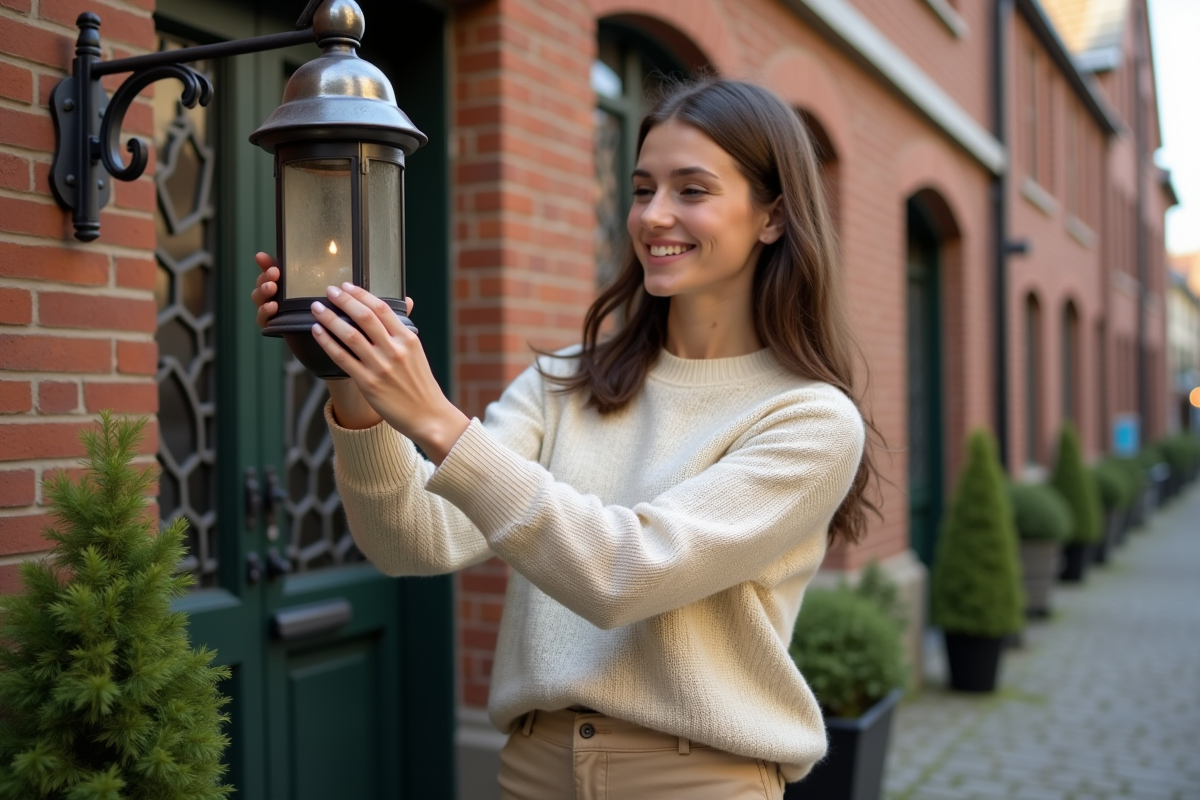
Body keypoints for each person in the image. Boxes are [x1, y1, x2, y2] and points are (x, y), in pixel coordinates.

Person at [251, 77, 878, 800]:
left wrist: (435, 419)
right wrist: (347, 375)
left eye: (691, 190)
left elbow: (625, 573)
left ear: (772, 216)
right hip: (534, 768)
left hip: (694, 779)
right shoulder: (566, 381)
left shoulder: (808, 419)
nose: (654, 215)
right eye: (642, 190)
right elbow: (415, 540)